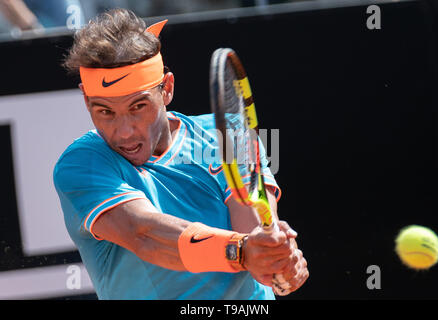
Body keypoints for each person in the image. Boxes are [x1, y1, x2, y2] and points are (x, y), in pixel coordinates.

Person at [53, 8, 308, 300]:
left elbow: (253, 224)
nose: (124, 132)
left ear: (167, 89)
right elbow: (144, 234)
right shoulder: (81, 164)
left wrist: (272, 255)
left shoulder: (229, 133)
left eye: (138, 107)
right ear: (86, 101)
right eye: (105, 111)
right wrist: (241, 251)